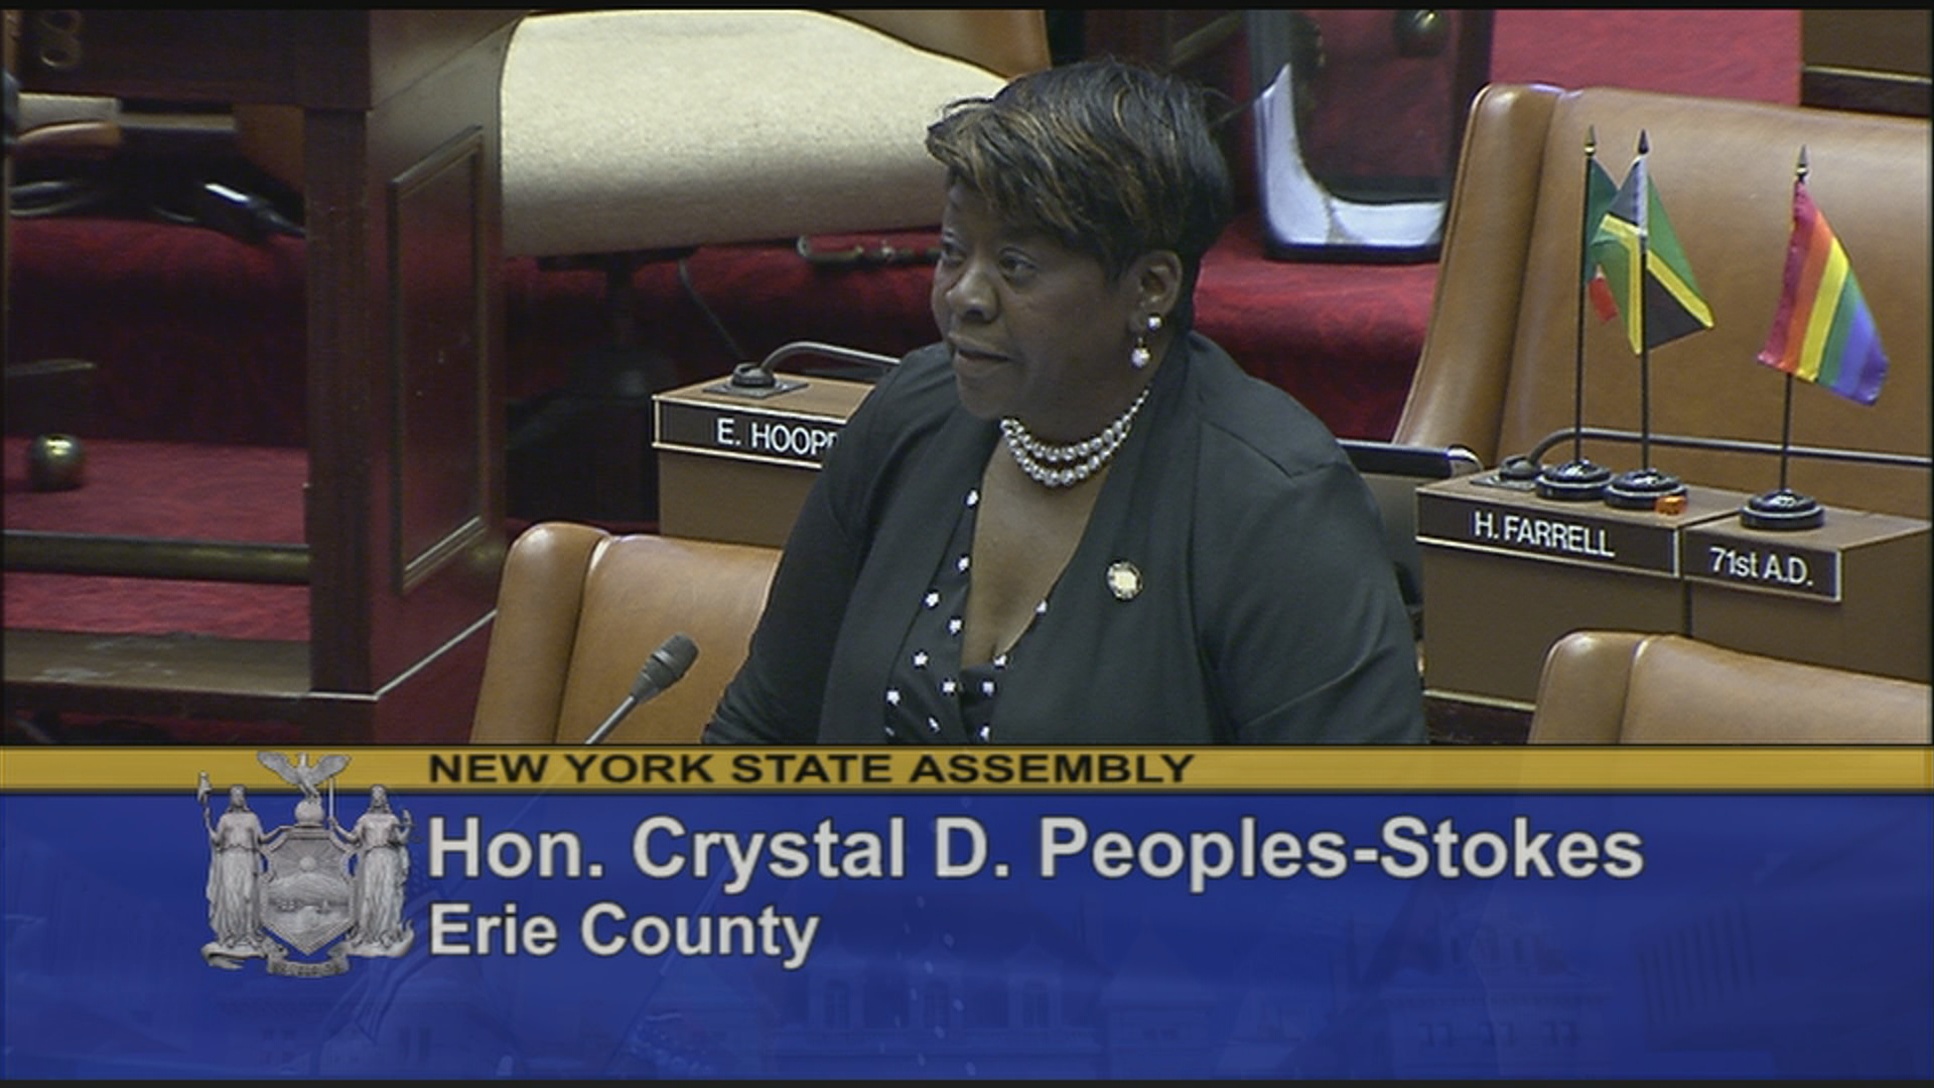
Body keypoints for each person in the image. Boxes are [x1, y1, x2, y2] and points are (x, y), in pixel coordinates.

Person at [704, 59, 1424, 744]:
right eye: (953, 251)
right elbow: (765, 728)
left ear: (1150, 288)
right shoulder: (912, 417)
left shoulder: (1275, 503)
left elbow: (1354, 824)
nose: (965, 296)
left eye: (1015, 265)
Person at [334, 784, 415, 955]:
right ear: (372, 798)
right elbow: (353, 838)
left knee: (386, 896)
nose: (377, 797)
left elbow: (400, 840)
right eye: (375, 794)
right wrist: (337, 827)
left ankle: (385, 934)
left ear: (384, 797)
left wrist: (408, 826)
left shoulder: (392, 819)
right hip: (371, 859)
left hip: (388, 859)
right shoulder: (364, 819)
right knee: (368, 895)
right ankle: (362, 934)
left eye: (380, 794)